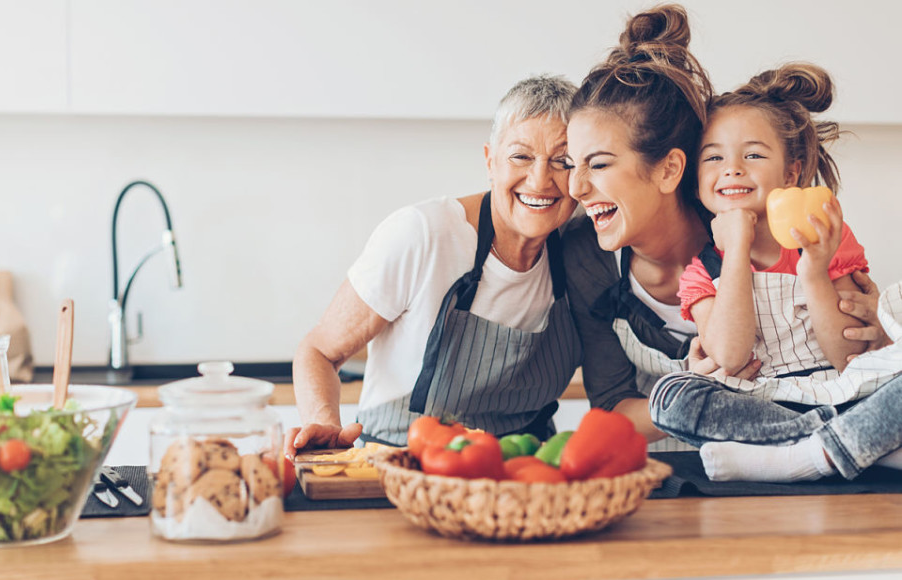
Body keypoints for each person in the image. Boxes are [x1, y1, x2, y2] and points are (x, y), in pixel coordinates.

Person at [561, 4, 888, 447]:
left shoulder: (770, 226)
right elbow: (613, 408)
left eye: (598, 164)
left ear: (670, 169)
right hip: (689, 464)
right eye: (715, 157)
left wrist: (882, 324)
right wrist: (697, 385)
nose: (576, 187)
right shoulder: (588, 257)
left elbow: (854, 349)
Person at [287, 75, 582, 455]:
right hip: (399, 467)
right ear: (490, 161)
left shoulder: (586, 250)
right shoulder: (423, 234)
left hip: (525, 474)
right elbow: (319, 350)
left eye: (563, 161)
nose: (541, 179)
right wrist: (325, 425)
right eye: (520, 156)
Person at [649, 63, 902, 482]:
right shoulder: (702, 271)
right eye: (714, 157)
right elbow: (730, 357)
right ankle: (851, 446)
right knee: (670, 396)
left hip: (846, 394)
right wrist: (736, 251)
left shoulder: (824, 238)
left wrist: (815, 271)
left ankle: (803, 457)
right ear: (696, 182)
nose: (732, 168)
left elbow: (847, 358)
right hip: (766, 408)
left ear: (791, 172)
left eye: (752, 154)